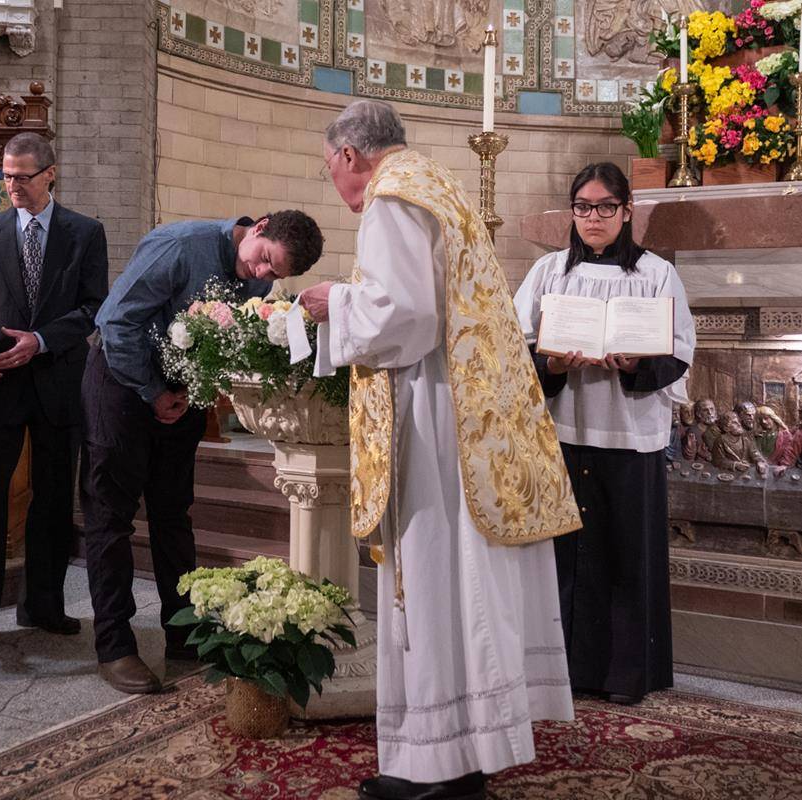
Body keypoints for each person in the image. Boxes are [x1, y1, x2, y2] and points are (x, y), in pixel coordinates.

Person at [298, 100, 578, 800]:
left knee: (430, 579)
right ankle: (461, 754)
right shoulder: (436, 183)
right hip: (463, 411)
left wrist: (336, 302)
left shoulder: (392, 198)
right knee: (457, 580)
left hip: (431, 416)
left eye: (329, 167)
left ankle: (438, 765)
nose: (335, 180)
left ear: (349, 156)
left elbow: (407, 315)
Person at [84, 208, 323, 694]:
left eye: (274, 274)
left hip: (182, 394)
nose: (261, 275)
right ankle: (114, 646)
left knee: (174, 515)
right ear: (258, 228)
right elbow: (115, 322)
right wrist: (153, 391)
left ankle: (184, 632)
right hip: (121, 384)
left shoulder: (258, 277)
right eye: (263, 259)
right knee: (111, 518)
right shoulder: (180, 246)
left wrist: (197, 389)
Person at [513, 161, 696, 707]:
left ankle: (625, 676)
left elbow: (680, 350)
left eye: (605, 208)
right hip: (564, 430)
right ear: (572, 211)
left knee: (625, 555)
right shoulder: (549, 271)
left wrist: (636, 364)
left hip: (629, 434)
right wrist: (552, 365)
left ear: (627, 211)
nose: (593, 218)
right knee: (565, 558)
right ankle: (563, 671)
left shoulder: (656, 274)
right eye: (583, 207)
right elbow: (515, 346)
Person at [0, 133, 109, 655]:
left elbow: (94, 309)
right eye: (6, 176)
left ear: (50, 174)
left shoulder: (85, 233)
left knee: (55, 500)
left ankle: (43, 605)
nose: (12, 186)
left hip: (58, 383)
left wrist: (40, 340)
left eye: (22, 176)